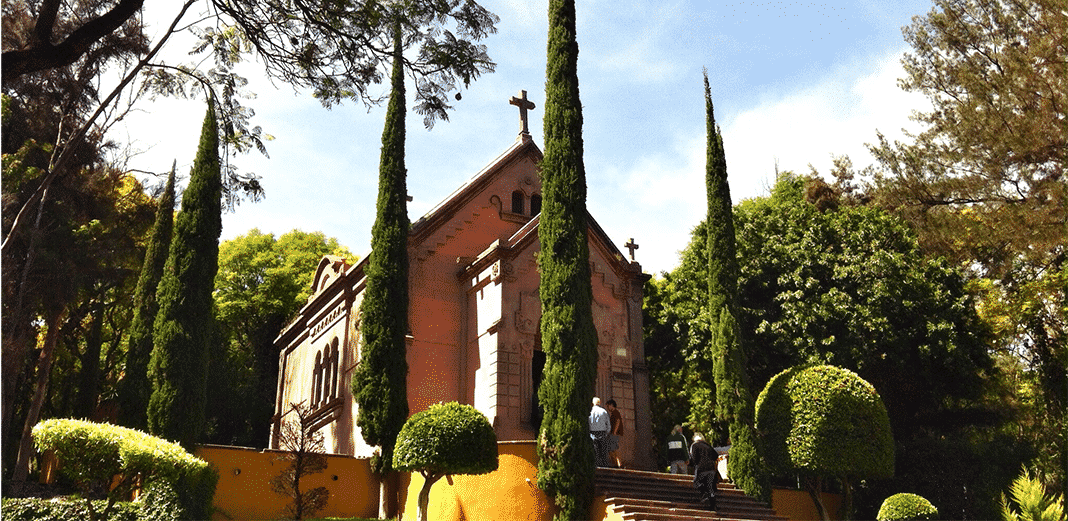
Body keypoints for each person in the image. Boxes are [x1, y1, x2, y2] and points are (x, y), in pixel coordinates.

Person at [688, 432, 720, 510]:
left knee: (697, 483)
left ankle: (705, 497)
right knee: (710, 486)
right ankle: (712, 503)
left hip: (701, 468)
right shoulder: (708, 445)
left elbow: (693, 458)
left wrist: (692, 465)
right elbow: (715, 455)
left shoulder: (694, 445)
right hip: (711, 469)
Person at [589, 397, 610, 467]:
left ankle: (596, 465)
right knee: (603, 451)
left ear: (592, 403)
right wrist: (606, 433)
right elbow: (608, 424)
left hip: (592, 433)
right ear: (600, 403)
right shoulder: (604, 411)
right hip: (602, 433)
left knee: (595, 451)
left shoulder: (590, 411)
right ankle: (604, 466)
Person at [606, 399, 624, 468]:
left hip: (614, 434)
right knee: (612, 449)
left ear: (611, 405)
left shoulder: (615, 413)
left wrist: (614, 432)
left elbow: (618, 421)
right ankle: (616, 464)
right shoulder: (614, 413)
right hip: (613, 433)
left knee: (614, 449)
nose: (608, 408)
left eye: (608, 406)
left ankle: (619, 464)